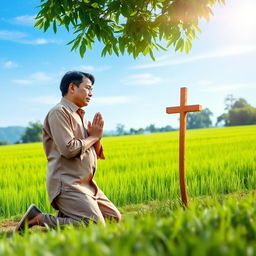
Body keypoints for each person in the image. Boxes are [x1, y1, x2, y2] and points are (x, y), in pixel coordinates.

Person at [16, 71, 121, 231]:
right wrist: (94, 137)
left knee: (114, 218)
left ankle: (65, 219)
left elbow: (96, 152)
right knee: (95, 225)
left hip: (86, 183)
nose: (91, 93)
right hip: (67, 184)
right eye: (88, 88)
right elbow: (69, 149)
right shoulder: (59, 113)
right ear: (72, 87)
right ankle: (37, 218)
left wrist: (96, 138)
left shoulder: (81, 116)